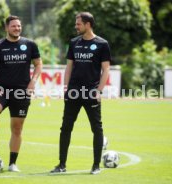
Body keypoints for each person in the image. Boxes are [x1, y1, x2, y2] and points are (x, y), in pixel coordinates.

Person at [50, 12, 111, 175]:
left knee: (96, 128)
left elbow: (106, 69)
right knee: (65, 128)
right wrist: (65, 88)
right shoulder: (73, 42)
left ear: (88, 24)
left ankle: (96, 166)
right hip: (73, 92)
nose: (76, 26)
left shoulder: (102, 44)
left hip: (91, 92)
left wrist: (99, 91)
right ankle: (61, 165)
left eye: (78, 24)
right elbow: (69, 67)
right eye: (76, 24)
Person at [0, 15, 42, 172]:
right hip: (1, 90)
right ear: (6, 28)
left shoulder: (29, 44)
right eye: (14, 26)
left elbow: (38, 64)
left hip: (21, 93)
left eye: (19, 26)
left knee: (17, 129)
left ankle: (12, 164)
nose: (17, 28)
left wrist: (33, 82)